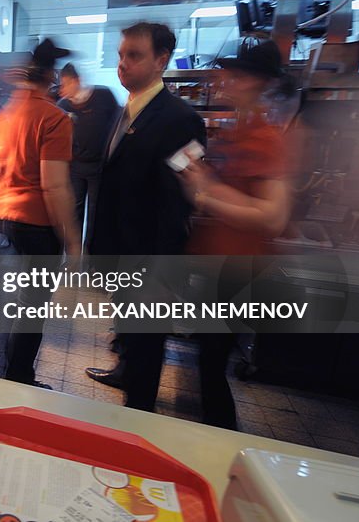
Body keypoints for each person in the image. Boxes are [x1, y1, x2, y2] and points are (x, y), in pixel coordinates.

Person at [85, 22, 205, 413]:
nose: (123, 64)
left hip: (151, 260)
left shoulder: (180, 119)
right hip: (122, 251)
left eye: (133, 56)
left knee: (148, 339)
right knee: (129, 333)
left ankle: (139, 415)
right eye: (121, 56)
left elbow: (180, 201)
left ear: (161, 60)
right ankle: (125, 371)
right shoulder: (127, 111)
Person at [176, 39, 292, 429]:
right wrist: (204, 181)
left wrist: (207, 196)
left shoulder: (266, 137)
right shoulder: (240, 128)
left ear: (259, 82)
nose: (226, 79)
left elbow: (271, 216)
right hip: (220, 265)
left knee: (211, 363)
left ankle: (222, 439)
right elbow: (231, 190)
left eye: (237, 74)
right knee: (208, 360)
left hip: (239, 270)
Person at [0, 39, 80, 387]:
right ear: (52, 79)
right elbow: (54, 186)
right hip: (36, 226)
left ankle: (8, 374)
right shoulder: (55, 118)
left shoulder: (10, 111)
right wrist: (74, 241)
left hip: (2, 219)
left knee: (13, 304)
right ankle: (18, 379)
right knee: (31, 310)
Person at [57, 63, 120, 249]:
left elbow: (118, 123)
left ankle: (91, 254)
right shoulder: (63, 106)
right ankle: (73, 255)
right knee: (74, 211)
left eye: (66, 84)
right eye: (61, 85)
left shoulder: (103, 96)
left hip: (99, 166)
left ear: (77, 80)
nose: (63, 89)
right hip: (75, 166)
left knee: (95, 212)